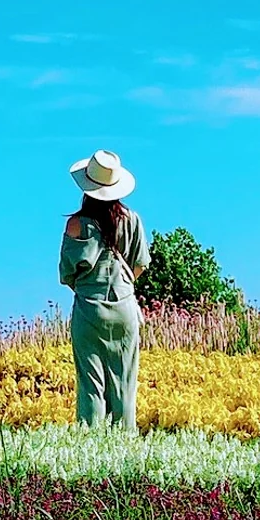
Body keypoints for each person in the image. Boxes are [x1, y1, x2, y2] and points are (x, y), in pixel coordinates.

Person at [59, 149, 150, 431]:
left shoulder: (76, 224)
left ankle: (92, 441)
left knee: (91, 381)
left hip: (89, 306)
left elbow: (66, 273)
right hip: (124, 307)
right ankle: (124, 441)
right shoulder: (132, 220)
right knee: (124, 381)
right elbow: (140, 265)